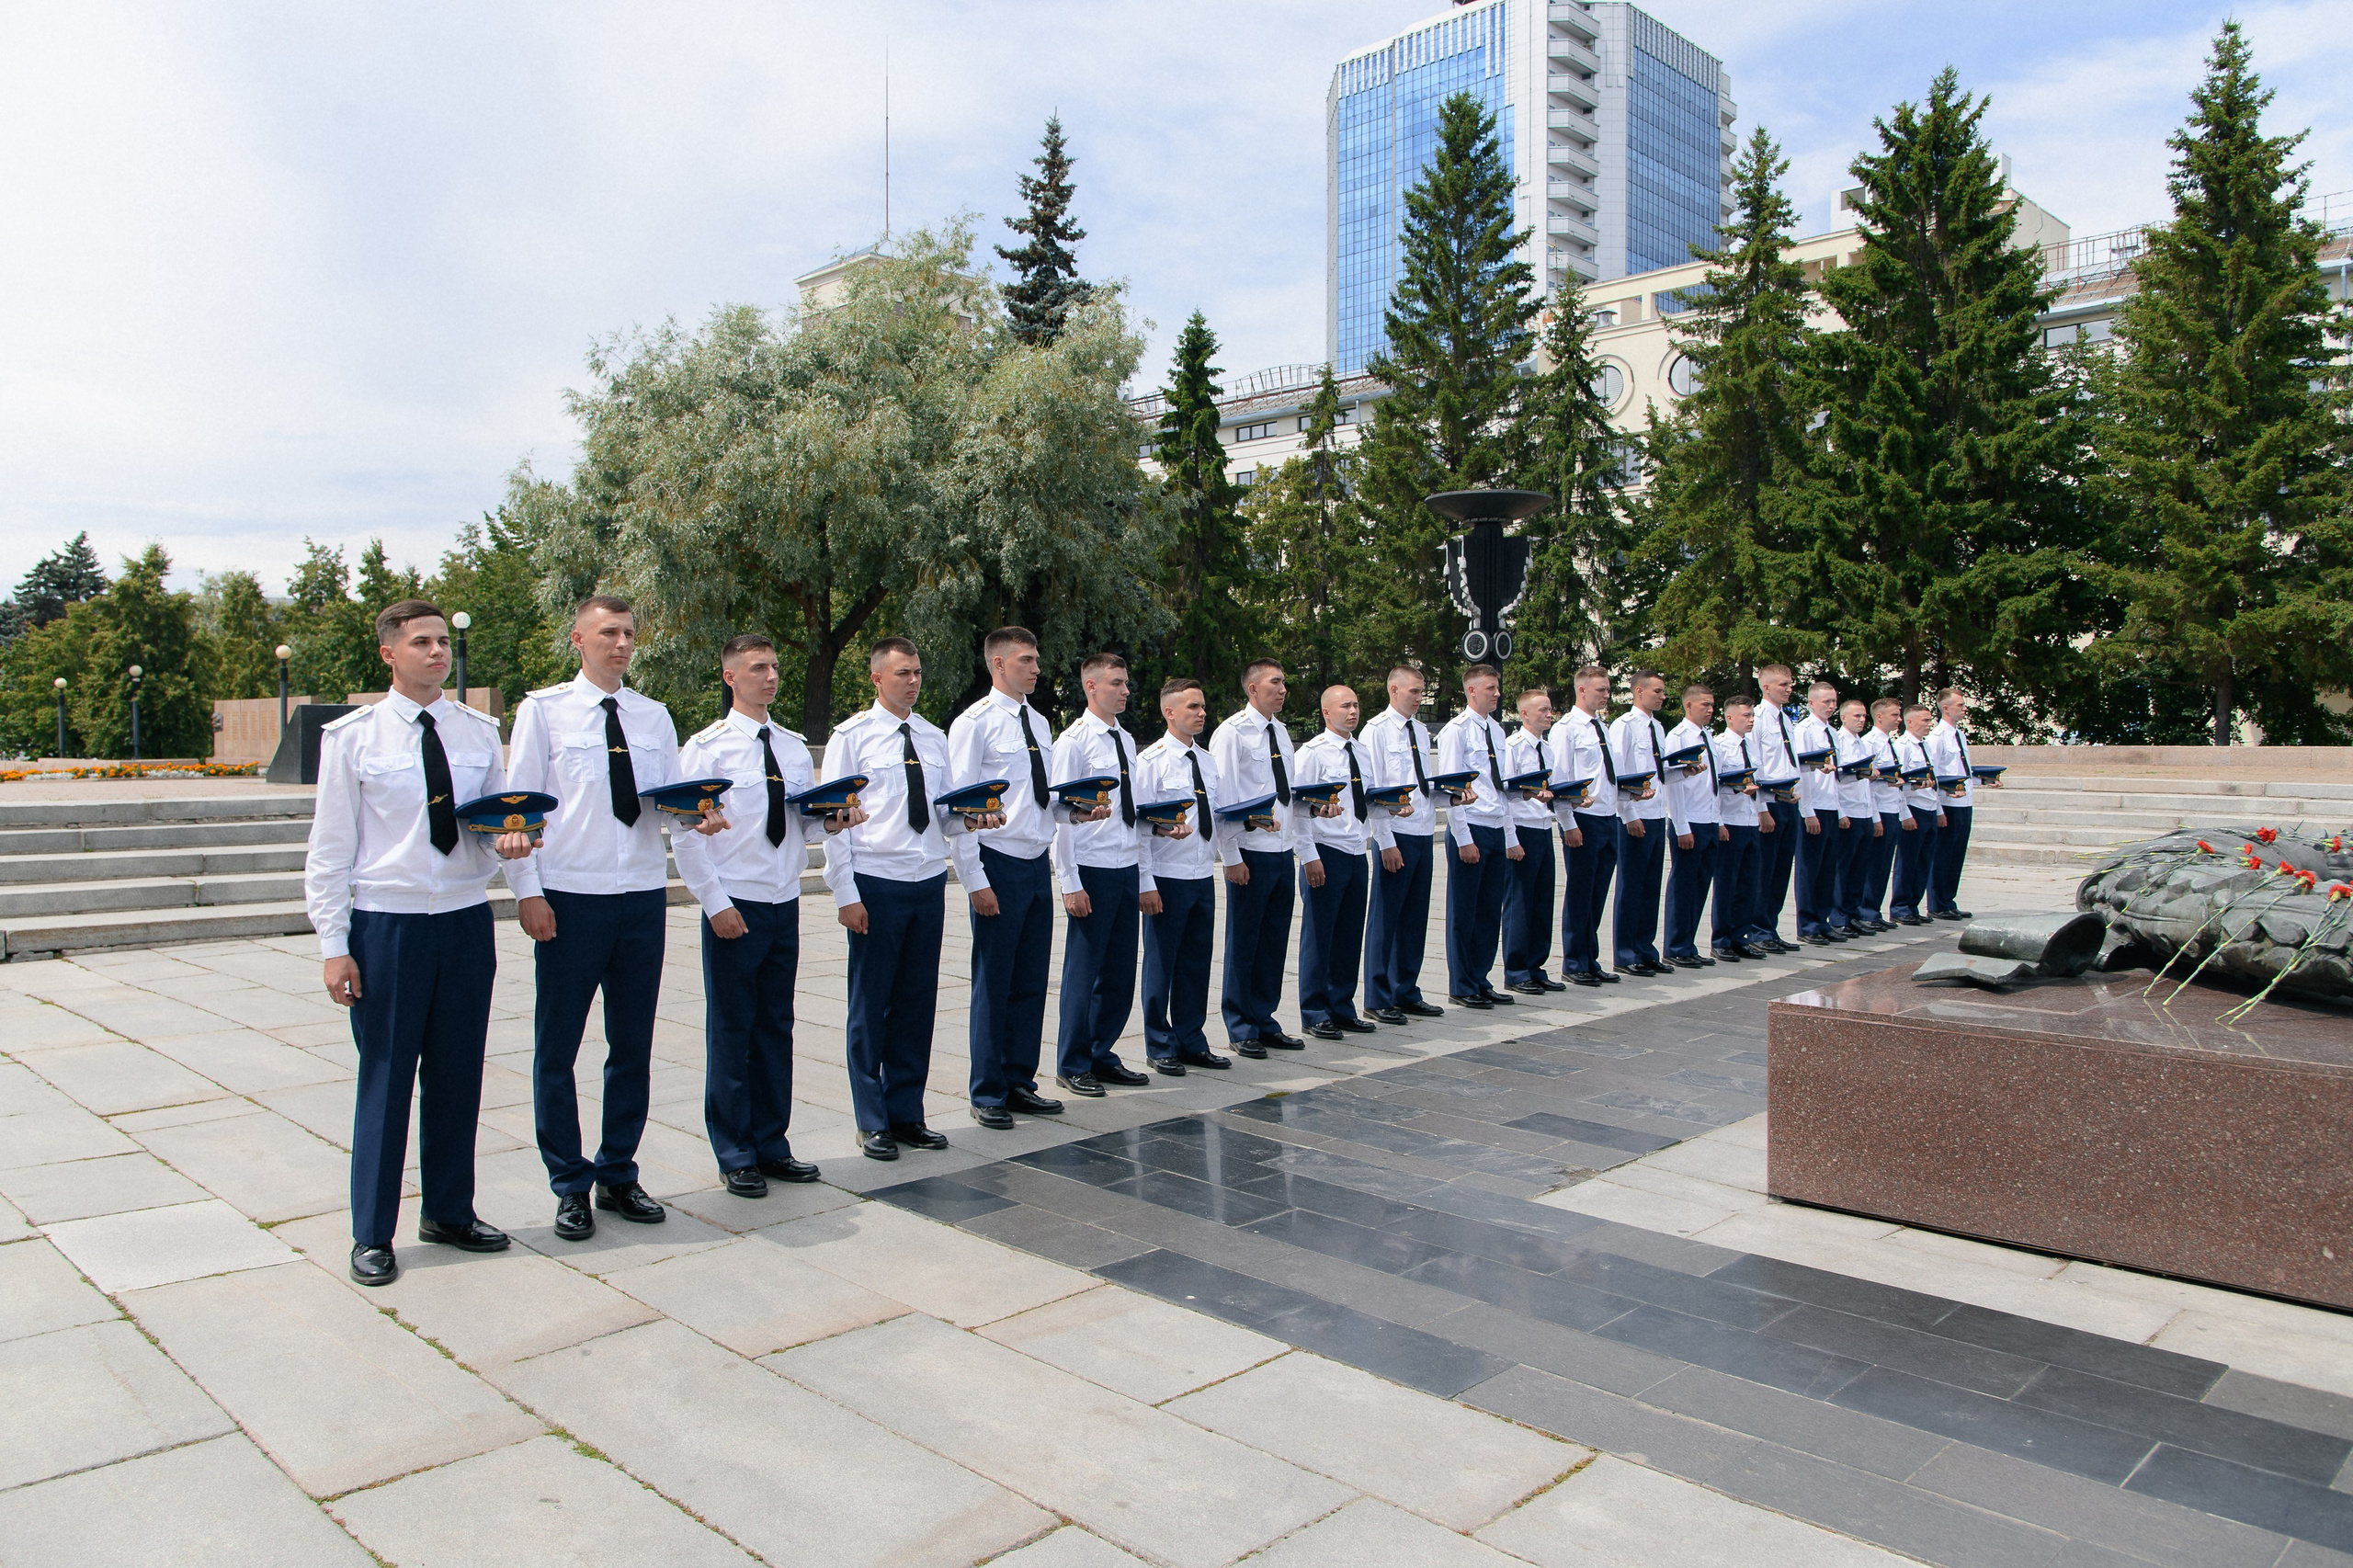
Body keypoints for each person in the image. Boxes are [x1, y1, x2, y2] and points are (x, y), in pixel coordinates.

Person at [309, 599, 535, 1286]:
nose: (436, 653)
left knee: (459, 1074)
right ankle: (372, 1233)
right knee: (385, 1079)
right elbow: (329, 850)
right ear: (389, 654)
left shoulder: (475, 733)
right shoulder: (353, 738)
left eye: (442, 642)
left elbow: (501, 821)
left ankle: (449, 1211)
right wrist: (333, 943)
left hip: (464, 921)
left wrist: (514, 849)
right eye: (420, 643)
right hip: (389, 924)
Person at [506, 596, 715, 1241]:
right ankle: (569, 1182)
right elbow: (517, 812)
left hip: (640, 897)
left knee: (632, 1047)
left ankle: (618, 1170)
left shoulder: (653, 717)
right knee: (558, 1049)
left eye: (628, 633)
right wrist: (527, 892)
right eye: (608, 633)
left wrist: (697, 815)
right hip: (571, 896)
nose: (621, 643)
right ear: (578, 639)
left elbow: (669, 804)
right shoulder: (543, 713)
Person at [669, 635, 856, 1196]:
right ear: (731, 677)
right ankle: (734, 1151)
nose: (771, 676)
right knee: (732, 1029)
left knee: (776, 1026)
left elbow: (798, 821)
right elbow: (686, 833)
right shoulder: (708, 748)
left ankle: (772, 1143)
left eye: (774, 666)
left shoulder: (793, 746)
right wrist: (716, 904)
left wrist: (833, 823)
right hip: (737, 902)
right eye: (757, 668)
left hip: (783, 899)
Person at [824, 637, 995, 1161]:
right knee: (871, 1003)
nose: (914, 681)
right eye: (903, 673)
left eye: (918, 672)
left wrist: (969, 820)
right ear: (877, 678)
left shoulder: (932, 737)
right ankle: (871, 1117)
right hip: (876, 881)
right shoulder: (851, 737)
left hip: (925, 880)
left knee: (917, 1003)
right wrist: (845, 891)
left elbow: (941, 813)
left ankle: (906, 1112)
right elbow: (832, 822)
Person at [948, 627, 1075, 1129]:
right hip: (996, 860)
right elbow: (960, 807)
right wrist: (974, 878)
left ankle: (1020, 1079)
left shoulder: (1039, 723)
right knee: (994, 980)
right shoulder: (973, 724)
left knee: (1029, 979)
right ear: (998, 665)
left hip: (1034, 859)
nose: (1036, 668)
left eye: (1037, 659)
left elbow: (1035, 796)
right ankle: (987, 1090)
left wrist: (1073, 812)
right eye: (1026, 660)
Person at [1050, 653, 1165, 1096]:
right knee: (1084, 971)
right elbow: (1061, 817)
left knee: (1119, 972)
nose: (1125, 690)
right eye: (1116, 683)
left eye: (1126, 683)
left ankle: (1101, 1052)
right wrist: (1070, 881)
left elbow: (1130, 813)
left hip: (1123, 867)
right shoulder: (1073, 743)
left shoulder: (1127, 740)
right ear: (1091, 687)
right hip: (1091, 869)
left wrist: (1143, 870)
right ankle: (1072, 1061)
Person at [1211, 660, 1317, 1056]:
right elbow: (1224, 801)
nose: (1283, 688)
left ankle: (1265, 1018)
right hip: (1250, 852)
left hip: (1280, 850)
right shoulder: (1232, 734)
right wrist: (1232, 855)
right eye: (1275, 682)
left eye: (1285, 682)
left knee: (1273, 941)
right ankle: (1240, 1025)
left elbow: (1285, 795)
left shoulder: (1282, 733)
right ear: (1253, 688)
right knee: (1245, 940)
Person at [1136, 678, 1231, 1074]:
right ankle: (1160, 1044)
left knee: (1196, 962)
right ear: (1169, 712)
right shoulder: (1151, 762)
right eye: (1192, 706)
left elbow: (1220, 819)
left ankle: (1192, 1039)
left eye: (1203, 706)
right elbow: (1138, 826)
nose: (1201, 713)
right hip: (1166, 875)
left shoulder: (1207, 762)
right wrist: (1145, 882)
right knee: (1161, 963)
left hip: (1200, 874)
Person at [1294, 685, 1384, 1037]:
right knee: (1319, 935)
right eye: (1345, 706)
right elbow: (1299, 808)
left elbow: (1369, 799)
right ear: (1326, 712)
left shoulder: (1361, 751)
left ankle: (1342, 1005)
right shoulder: (1312, 753)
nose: (1353, 711)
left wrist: (1393, 807)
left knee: (1349, 934)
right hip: (1325, 850)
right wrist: (1308, 856)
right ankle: (1314, 1010)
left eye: (1356, 705)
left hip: (1355, 849)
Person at [1359, 667, 1444, 1023]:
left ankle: (1406, 989)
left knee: (1414, 918)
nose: (1420, 697)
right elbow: (1374, 791)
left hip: (1423, 830)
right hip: (1395, 833)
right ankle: (1378, 996)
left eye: (1422, 691)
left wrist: (1450, 798)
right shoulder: (1376, 731)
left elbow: (1422, 784)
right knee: (1385, 917)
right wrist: (1385, 841)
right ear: (1394, 689)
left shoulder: (1421, 732)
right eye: (1414, 691)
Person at [1438, 664, 1515, 1008]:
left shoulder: (1497, 731)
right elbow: (1451, 786)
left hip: (1495, 824)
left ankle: (1481, 977)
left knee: (1488, 911)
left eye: (1497, 688)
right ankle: (1462, 983)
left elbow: (1500, 784)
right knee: (1464, 911)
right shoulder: (1457, 730)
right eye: (1490, 688)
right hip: (1471, 826)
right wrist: (1463, 836)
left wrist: (1510, 834)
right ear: (1471, 691)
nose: (1497, 694)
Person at [1609, 670, 1685, 976]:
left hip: (1656, 813)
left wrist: (1683, 771)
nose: (1663, 696)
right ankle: (1626, 953)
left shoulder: (1658, 727)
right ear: (1639, 691)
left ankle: (1645, 948)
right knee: (1631, 886)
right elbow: (1618, 774)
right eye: (1658, 691)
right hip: (1635, 816)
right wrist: (1628, 813)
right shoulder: (1624, 726)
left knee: (1651, 887)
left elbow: (1659, 771)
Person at [1554, 666, 1621, 987]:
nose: (1606, 695)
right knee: (1580, 892)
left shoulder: (1602, 728)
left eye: (1607, 690)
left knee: (1598, 892)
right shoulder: (1567, 729)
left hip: (1608, 816)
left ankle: (1590, 957)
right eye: (1601, 690)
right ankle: (1574, 960)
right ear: (1582, 690)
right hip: (1583, 819)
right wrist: (1568, 822)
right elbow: (1560, 779)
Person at [1501, 688, 1563, 994]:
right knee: (1520, 901)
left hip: (1541, 826)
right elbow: (1507, 796)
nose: (1548, 714)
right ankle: (1516, 969)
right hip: (1521, 828)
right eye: (1542, 710)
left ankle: (1536, 965)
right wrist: (1510, 838)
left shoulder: (1547, 749)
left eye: (1550, 709)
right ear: (1524, 713)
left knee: (1542, 900)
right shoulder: (1512, 747)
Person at [1662, 685, 1728, 968]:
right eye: (1704, 705)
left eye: (1712, 705)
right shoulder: (1678, 737)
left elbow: (1713, 783)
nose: (1710, 709)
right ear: (1688, 706)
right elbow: (1674, 786)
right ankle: (1676, 945)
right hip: (1689, 821)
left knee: (1701, 885)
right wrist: (1681, 825)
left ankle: (1687, 943)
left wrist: (1719, 820)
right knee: (1684, 885)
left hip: (1709, 819)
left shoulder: (1708, 737)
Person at [1710, 694, 1769, 960]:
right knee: (1727, 883)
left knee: (1748, 882)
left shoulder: (1751, 746)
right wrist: (1719, 822)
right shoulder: (1721, 746)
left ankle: (1740, 936)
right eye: (1746, 715)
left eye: (1752, 715)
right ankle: (1721, 938)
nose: (1751, 720)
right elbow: (1715, 787)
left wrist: (1762, 812)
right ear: (1729, 717)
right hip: (1730, 821)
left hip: (1749, 820)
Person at [1748, 665, 1803, 952]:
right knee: (1765, 869)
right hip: (1769, 802)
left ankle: (1770, 926)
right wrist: (1761, 809)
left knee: (1782, 869)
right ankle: (1757, 930)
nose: (1789, 688)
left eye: (1791, 684)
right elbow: (1754, 767)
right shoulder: (1757, 719)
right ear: (1766, 687)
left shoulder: (1786, 719)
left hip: (1789, 800)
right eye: (1783, 684)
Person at [1790, 680, 1846, 945]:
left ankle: (1822, 919)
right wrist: (1807, 811)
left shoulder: (1833, 733)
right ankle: (1808, 923)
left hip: (1831, 805)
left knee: (1827, 868)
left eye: (1834, 701)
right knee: (1810, 868)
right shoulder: (1804, 730)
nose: (1832, 706)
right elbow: (1801, 773)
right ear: (1811, 703)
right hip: (1813, 806)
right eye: (1826, 701)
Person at [1926, 688, 1986, 920]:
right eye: (1959, 705)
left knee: (1956, 854)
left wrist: (1982, 780)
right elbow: (1935, 775)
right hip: (1948, 802)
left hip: (1964, 802)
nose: (1964, 708)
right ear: (1946, 708)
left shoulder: (1959, 735)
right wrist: (1939, 807)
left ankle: (1948, 899)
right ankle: (1937, 902)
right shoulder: (1937, 737)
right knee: (1943, 853)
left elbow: (1963, 770)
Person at [1852, 697, 1907, 932]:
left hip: (1891, 806)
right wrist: (1875, 817)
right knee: (1873, 865)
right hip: (1878, 809)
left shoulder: (1889, 742)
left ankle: (1874, 909)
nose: (1899, 719)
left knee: (1884, 865)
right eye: (1894, 715)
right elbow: (1867, 783)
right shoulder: (1870, 742)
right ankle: (1866, 910)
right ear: (1880, 716)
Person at [1889, 702, 1945, 926]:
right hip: (1913, 808)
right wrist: (1905, 814)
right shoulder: (1903, 745)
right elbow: (1898, 782)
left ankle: (1913, 904)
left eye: (1930, 720)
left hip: (1929, 807)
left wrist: (1939, 810)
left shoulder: (1925, 745)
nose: (1929, 724)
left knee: (1923, 861)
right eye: (1925, 720)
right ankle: (1900, 906)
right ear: (1910, 722)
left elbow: (1933, 781)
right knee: (1908, 861)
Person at [1826, 699, 1878, 937]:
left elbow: (1867, 785)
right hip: (1847, 811)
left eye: (1864, 716)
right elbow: (1834, 780)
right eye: (1856, 716)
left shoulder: (1863, 744)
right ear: (1843, 717)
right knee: (1843, 868)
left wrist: (1874, 816)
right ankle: (1839, 917)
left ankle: (1854, 913)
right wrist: (1840, 812)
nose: (1861, 720)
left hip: (1864, 810)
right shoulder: (1839, 741)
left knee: (1860, 868)